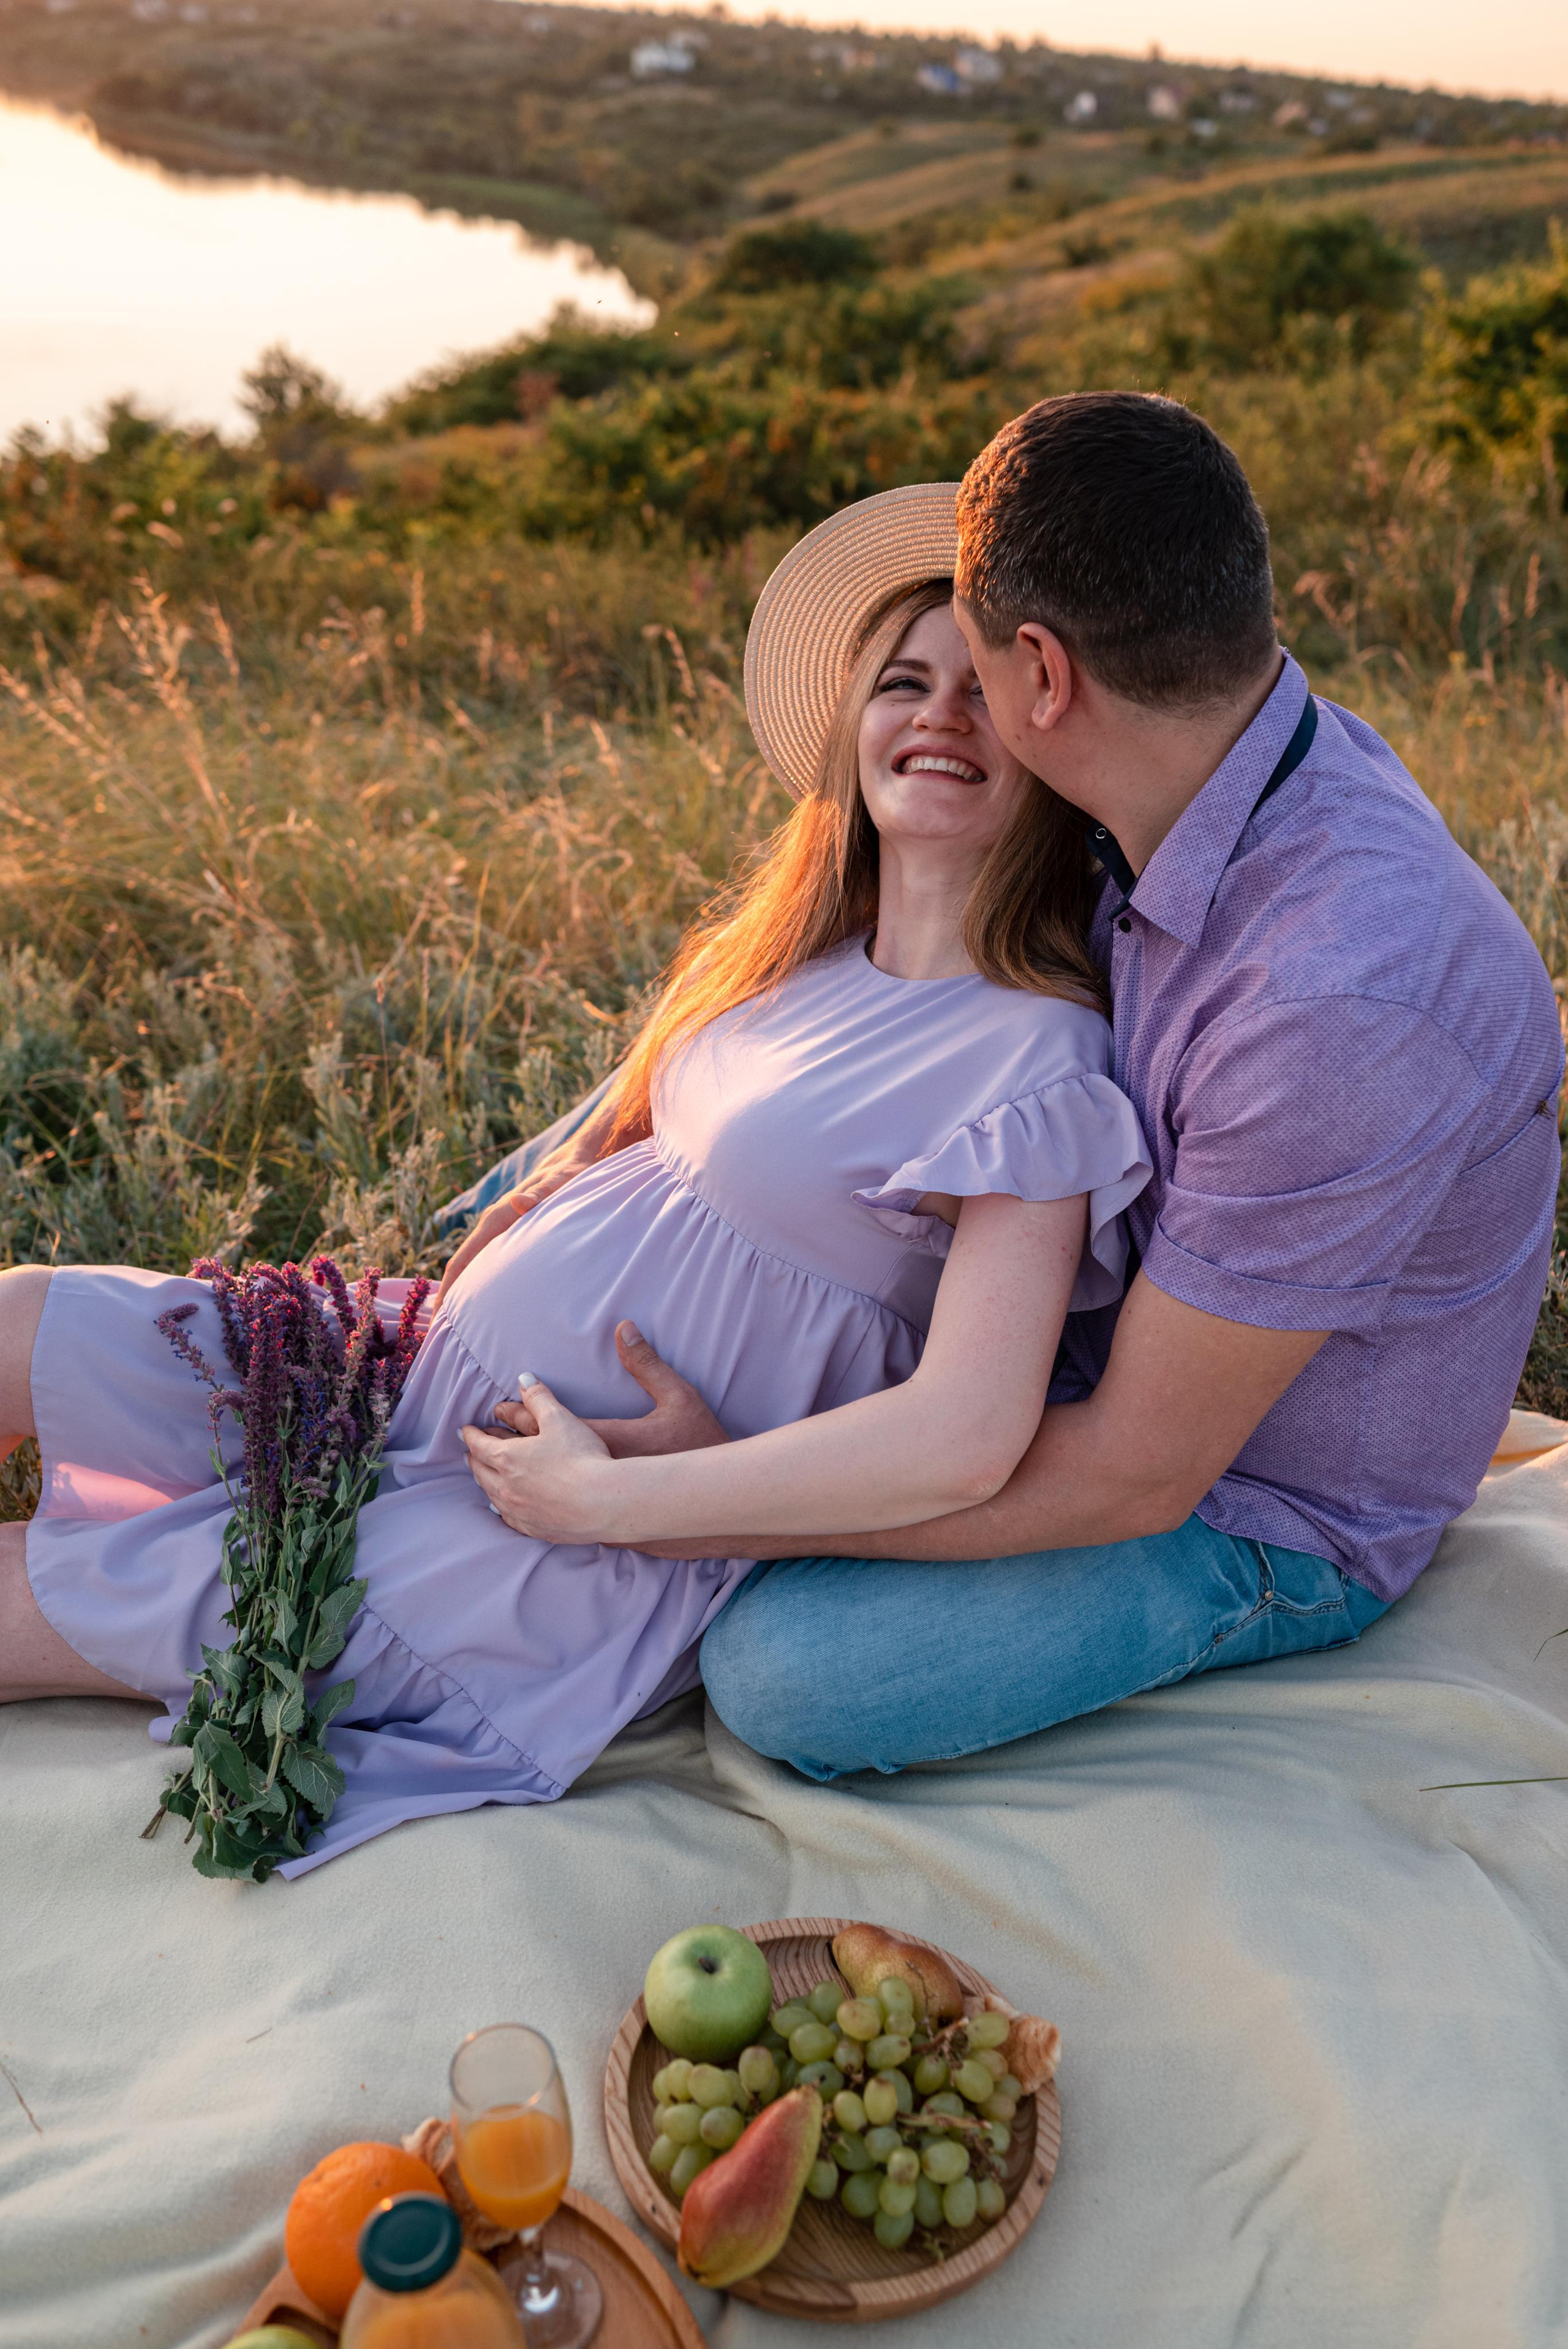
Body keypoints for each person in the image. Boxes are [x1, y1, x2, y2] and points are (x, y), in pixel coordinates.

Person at [0, 516, 1152, 1872]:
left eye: (980, 689)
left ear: (1049, 736)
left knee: (20, 1595)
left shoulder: (1036, 1058)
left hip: (545, 1530)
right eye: (903, 681)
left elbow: (963, 1435)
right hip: (407, 1373)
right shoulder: (797, 958)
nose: (938, 715)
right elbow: (658, 1145)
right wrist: (548, 1191)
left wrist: (609, 1503)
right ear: (852, 720)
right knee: (19, 1318)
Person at [463, 393, 1564, 1787]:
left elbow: (1136, 1473)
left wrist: (669, 1504)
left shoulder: (1337, 994)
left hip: (1244, 1501)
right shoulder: (1207, 757)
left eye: (978, 672)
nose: (953, 706)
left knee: (791, 1677)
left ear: (1042, 676)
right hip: (1042, 1356)